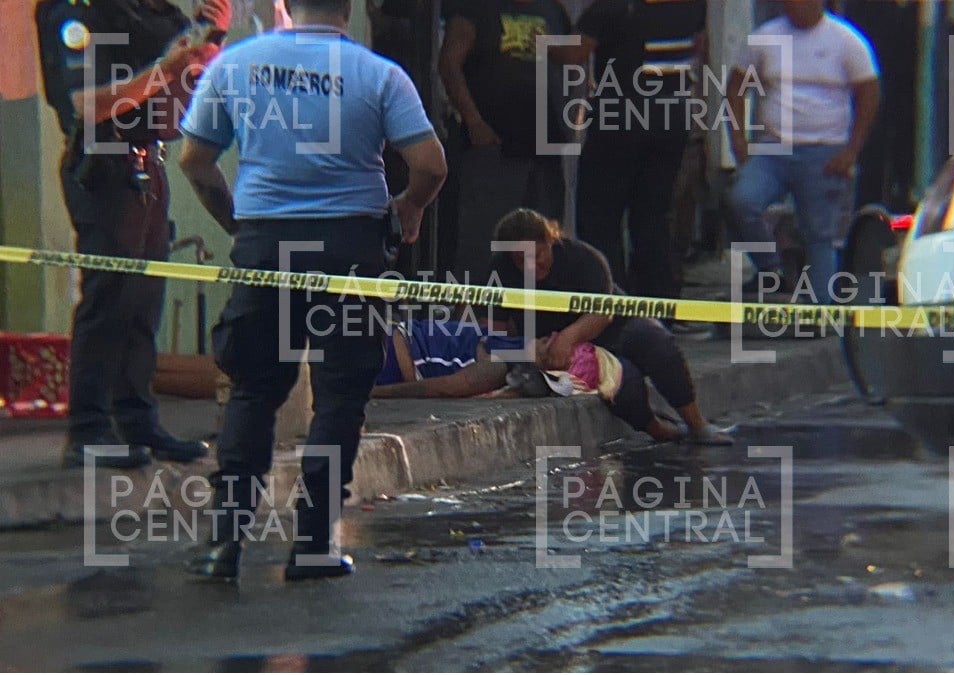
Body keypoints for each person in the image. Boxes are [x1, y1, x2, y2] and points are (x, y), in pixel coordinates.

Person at [178, 0, 447, 581]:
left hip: (266, 246)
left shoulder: (235, 64)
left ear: (285, 7)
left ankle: (225, 543)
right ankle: (314, 542)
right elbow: (430, 163)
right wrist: (410, 209)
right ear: (347, 9)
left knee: (253, 390)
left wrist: (239, 224)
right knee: (341, 398)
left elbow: (195, 161)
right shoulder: (379, 74)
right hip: (349, 249)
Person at [35, 0, 232, 469]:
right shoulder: (76, 13)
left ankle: (136, 419)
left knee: (144, 301)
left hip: (149, 165)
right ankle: (88, 429)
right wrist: (166, 69)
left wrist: (212, 40)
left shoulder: (155, 14)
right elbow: (88, 104)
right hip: (103, 166)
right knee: (109, 298)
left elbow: (191, 87)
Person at [490, 208, 732, 444]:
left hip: (613, 326)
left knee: (658, 344)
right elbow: (494, 326)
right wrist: (526, 350)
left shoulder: (583, 258)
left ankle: (696, 423)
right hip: (559, 348)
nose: (532, 267)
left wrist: (569, 337)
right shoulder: (502, 270)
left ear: (551, 239)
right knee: (624, 382)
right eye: (522, 261)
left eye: (537, 256)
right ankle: (658, 429)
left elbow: (602, 312)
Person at [727, 0, 881, 304]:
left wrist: (851, 150)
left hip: (824, 152)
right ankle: (774, 269)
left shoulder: (846, 41)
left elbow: (869, 93)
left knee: (819, 235)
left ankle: (820, 312)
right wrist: (739, 141)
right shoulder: (765, 39)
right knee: (741, 201)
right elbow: (735, 88)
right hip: (773, 149)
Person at [555, 0, 707, 302]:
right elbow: (701, 48)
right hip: (673, 115)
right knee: (653, 216)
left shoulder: (611, 7)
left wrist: (541, 42)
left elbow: (575, 52)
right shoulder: (693, 6)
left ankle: (610, 300)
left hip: (621, 117)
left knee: (600, 216)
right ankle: (658, 303)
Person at [372, 320, 690, 442]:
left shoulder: (507, 363)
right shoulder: (506, 350)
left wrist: (373, 391)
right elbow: (446, 386)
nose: (554, 343)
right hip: (390, 348)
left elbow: (448, 386)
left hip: (389, 355)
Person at [438, 0, 571, 283]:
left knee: (545, 239)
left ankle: (536, 317)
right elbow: (449, 64)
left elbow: (575, 59)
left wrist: (575, 116)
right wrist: (474, 122)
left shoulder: (553, 9)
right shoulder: (475, 9)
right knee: (482, 240)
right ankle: (470, 319)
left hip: (544, 145)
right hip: (493, 143)